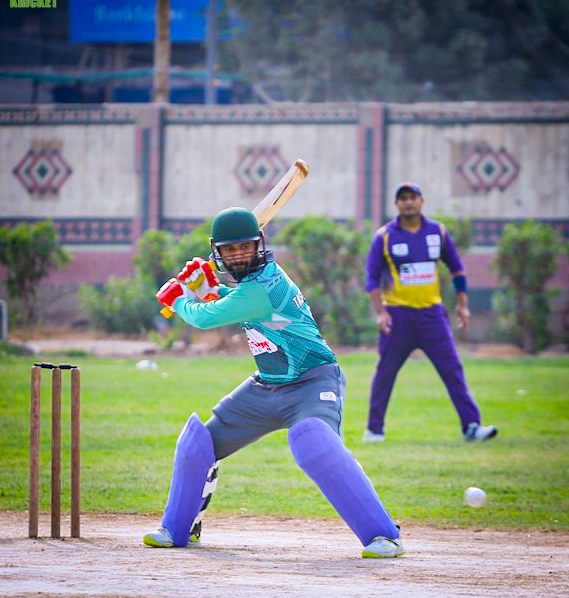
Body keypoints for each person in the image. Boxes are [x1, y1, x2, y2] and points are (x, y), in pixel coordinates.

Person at [144, 207, 405, 559]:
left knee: (313, 441)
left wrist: (179, 298)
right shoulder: (251, 287)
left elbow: (207, 318)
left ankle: (384, 535)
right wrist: (211, 289)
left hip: (313, 382)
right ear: (217, 252)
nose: (239, 255)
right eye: (230, 249)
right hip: (266, 387)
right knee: (198, 443)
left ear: (260, 244)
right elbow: (234, 302)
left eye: (245, 247)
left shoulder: (262, 288)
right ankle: (178, 528)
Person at [363, 183, 498, 443]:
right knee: (385, 372)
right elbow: (371, 279)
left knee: (452, 369)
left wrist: (463, 305)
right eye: (403, 198)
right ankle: (374, 430)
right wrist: (380, 312)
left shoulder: (438, 232)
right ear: (397, 204)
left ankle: (472, 426)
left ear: (421, 200)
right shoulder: (385, 236)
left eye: (412, 197)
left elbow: (457, 270)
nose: (408, 202)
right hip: (398, 317)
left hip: (432, 317)